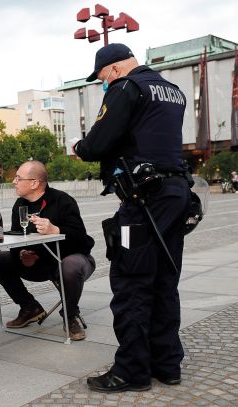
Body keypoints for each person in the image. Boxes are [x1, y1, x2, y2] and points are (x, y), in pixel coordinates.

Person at [73, 43, 192, 392]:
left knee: (131, 283)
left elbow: (98, 143)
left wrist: (81, 148)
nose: (102, 84)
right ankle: (168, 365)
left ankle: (132, 371)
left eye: (101, 78)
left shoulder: (127, 87)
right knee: (164, 280)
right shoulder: (172, 90)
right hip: (175, 193)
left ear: (112, 69)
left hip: (143, 199)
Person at [0, 160, 95, 341]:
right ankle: (30, 307)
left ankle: (70, 316)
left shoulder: (63, 201)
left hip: (67, 260)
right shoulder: (19, 205)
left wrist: (56, 230)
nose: (14, 181)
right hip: (37, 263)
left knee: (70, 265)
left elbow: (82, 241)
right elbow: (17, 238)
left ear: (34, 183)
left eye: (18, 178)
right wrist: (21, 254)